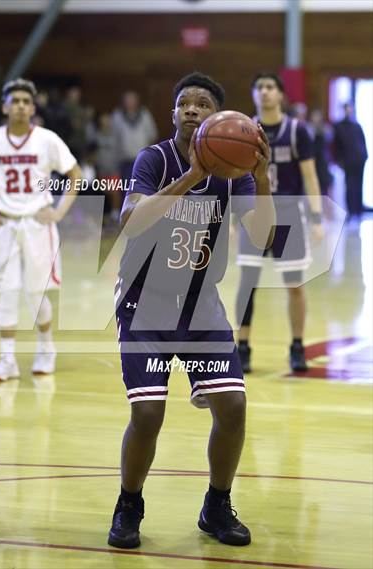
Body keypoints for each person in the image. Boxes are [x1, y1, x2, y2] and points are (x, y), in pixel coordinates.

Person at [108, 72, 275, 549]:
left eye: (203, 104)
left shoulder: (236, 171)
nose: (192, 109)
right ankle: (129, 503)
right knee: (147, 414)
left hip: (201, 304)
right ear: (174, 114)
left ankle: (216, 504)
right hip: (145, 302)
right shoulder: (154, 159)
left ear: (220, 116)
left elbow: (261, 238)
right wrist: (192, 176)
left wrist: (261, 178)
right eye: (184, 103)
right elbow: (130, 221)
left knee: (234, 406)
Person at [0, 78, 81, 381]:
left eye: (26, 102)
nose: (21, 106)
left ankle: (46, 349)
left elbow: (75, 173)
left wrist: (59, 211)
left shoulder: (46, 139)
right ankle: (7, 360)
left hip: (36, 225)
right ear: (4, 106)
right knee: (7, 291)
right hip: (3, 224)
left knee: (36, 293)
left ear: (33, 107)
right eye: (15, 101)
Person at [235, 72, 324, 374]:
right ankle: (243, 347)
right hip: (253, 214)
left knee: (294, 286)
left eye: (270, 87)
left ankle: (297, 346)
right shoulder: (242, 129)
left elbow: (310, 176)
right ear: (253, 94)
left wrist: (316, 217)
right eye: (259, 87)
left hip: (287, 214)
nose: (264, 92)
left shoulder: (298, 131)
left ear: (281, 94)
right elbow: (234, 175)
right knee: (247, 284)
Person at [112, 90, 158, 186]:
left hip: (142, 160)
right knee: (126, 189)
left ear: (137, 101)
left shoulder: (144, 114)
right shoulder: (118, 115)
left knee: (141, 187)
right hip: (125, 160)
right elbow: (114, 138)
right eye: (128, 100)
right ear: (123, 102)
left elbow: (152, 135)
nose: (130, 102)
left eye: (132, 100)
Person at [333, 102, 368, 219]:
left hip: (360, 159)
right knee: (349, 185)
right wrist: (339, 160)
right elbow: (337, 145)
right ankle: (351, 211)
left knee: (359, 184)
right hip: (348, 160)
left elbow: (362, 142)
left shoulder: (356, 125)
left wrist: (365, 156)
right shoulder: (339, 126)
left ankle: (358, 210)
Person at [309, 109, 333, 196]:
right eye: (314, 116)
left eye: (317, 116)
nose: (316, 118)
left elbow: (330, 137)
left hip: (323, 159)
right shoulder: (308, 127)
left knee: (324, 183)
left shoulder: (325, 127)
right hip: (312, 159)